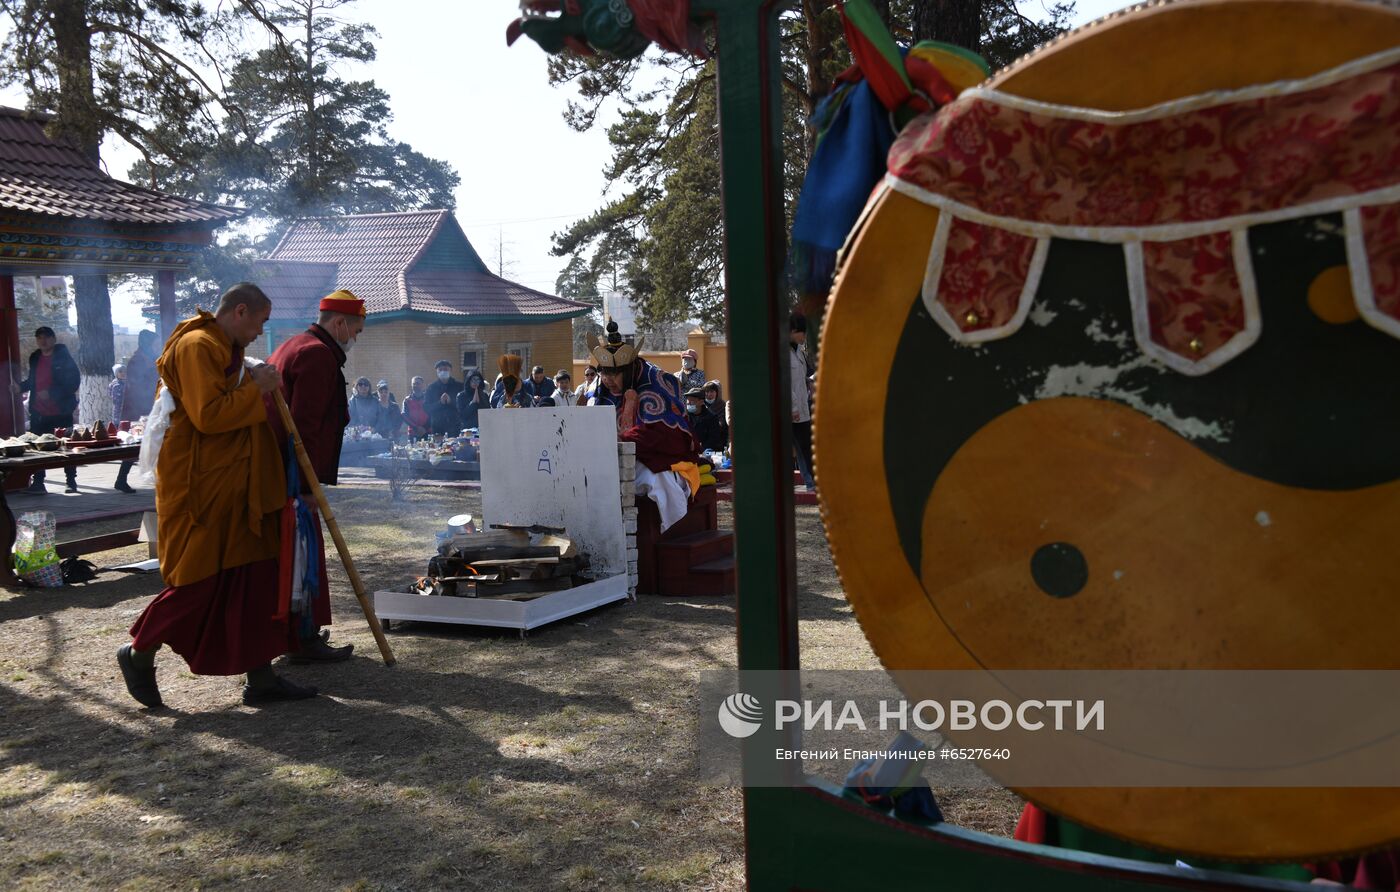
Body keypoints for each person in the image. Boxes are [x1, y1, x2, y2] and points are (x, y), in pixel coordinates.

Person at [118, 283, 314, 708]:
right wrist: (257, 387)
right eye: (260, 323)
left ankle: (260, 676)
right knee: (201, 581)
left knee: (252, 577)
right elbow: (208, 416)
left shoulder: (226, 348)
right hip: (203, 485)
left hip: (238, 482)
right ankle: (138, 653)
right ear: (239, 311)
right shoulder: (197, 345)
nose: (260, 334)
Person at [262, 290, 364, 664]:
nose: (355, 338)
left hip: (281, 472)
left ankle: (300, 634)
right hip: (290, 476)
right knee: (301, 554)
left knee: (299, 554)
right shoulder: (316, 355)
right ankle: (302, 638)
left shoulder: (296, 346)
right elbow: (304, 428)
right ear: (339, 323)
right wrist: (306, 487)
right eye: (355, 330)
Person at [15, 326, 80, 493]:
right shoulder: (35, 357)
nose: (42, 341)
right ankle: (38, 482)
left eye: (46, 337)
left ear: (53, 339)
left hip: (61, 410)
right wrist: (19, 387)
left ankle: (71, 482)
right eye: (39, 338)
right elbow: (32, 380)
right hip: (39, 411)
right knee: (38, 447)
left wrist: (51, 393)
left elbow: (73, 383)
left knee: (66, 446)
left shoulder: (64, 358)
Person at [115, 330, 160, 494]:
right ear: (147, 343)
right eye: (154, 343)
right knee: (134, 445)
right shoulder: (137, 361)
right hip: (138, 409)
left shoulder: (150, 359)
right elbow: (139, 386)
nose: (157, 346)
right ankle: (121, 479)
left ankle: (122, 479)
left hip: (148, 406)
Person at [790, 313, 816, 492]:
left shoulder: (799, 351)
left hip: (802, 407)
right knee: (799, 446)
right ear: (792, 331)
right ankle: (810, 482)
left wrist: (809, 382)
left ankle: (811, 482)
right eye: (802, 333)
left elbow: (800, 377)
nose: (804, 337)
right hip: (791, 409)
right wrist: (792, 407)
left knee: (805, 446)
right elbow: (784, 383)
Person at [684, 386, 727, 452]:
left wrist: (701, 449)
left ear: (701, 402)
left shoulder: (711, 417)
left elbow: (713, 438)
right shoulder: (684, 416)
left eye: (692, 402)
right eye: (687, 402)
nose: (689, 404)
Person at [426, 359, 464, 434]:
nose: (443, 371)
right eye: (440, 369)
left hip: (455, 426)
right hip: (437, 427)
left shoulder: (459, 386)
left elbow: (463, 406)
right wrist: (440, 403)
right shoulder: (431, 388)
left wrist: (451, 402)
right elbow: (426, 407)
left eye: (446, 369)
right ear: (437, 371)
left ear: (450, 370)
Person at [703, 380, 731, 449]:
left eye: (712, 391)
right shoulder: (700, 404)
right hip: (703, 440)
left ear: (717, 393)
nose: (709, 394)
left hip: (719, 441)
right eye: (707, 391)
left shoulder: (722, 405)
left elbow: (723, 423)